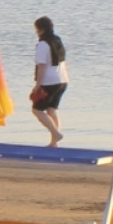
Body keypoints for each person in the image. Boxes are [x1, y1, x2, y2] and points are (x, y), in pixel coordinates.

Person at [32, 16, 68, 146]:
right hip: (63, 80)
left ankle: (56, 134)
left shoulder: (43, 44)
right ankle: (54, 142)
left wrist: (38, 85)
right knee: (52, 110)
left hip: (49, 81)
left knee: (37, 110)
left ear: (41, 30)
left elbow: (41, 65)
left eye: (37, 29)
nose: (36, 32)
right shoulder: (57, 40)